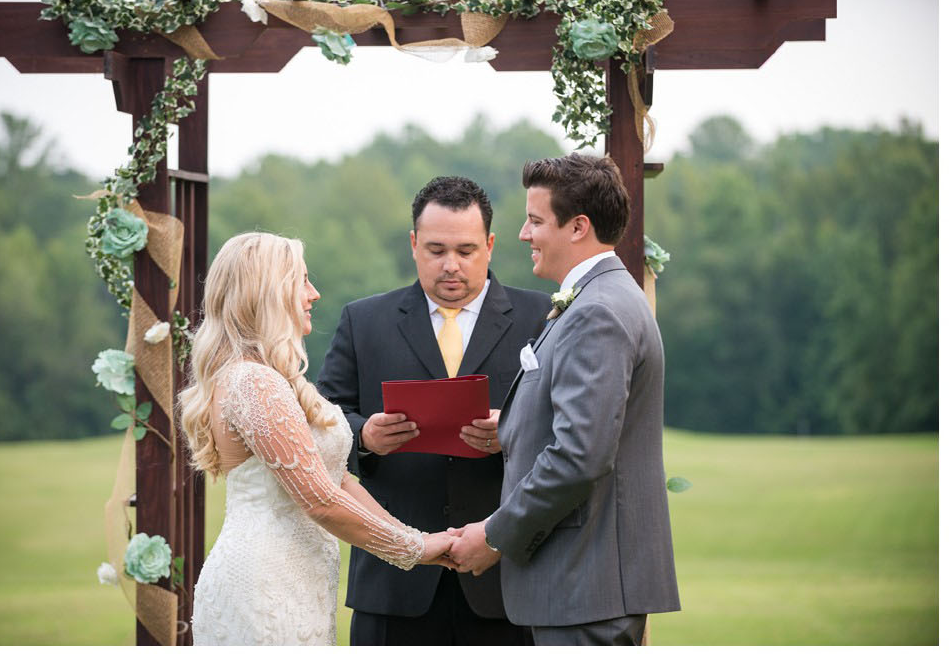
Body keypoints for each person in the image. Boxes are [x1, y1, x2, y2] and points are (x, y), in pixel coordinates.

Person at [444, 153, 680, 645]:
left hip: (584, 586)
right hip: (580, 586)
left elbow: (578, 456)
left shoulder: (597, 311)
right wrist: (512, 424)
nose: (523, 234)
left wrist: (493, 536)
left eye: (534, 220)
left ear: (578, 228)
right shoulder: (597, 297)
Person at [177, 232, 455, 646]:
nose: (314, 293)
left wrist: (415, 535)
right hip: (265, 585)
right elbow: (321, 501)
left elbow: (337, 479)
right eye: (302, 281)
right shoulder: (254, 383)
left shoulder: (273, 377)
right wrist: (414, 548)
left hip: (297, 580)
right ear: (269, 293)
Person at [314, 177, 542, 645]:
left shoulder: (541, 317)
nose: (451, 265)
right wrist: (364, 437)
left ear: (491, 245)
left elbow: (571, 428)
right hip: (394, 583)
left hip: (506, 578)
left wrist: (515, 430)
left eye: (466, 250)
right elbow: (322, 421)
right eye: (436, 249)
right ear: (414, 244)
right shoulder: (364, 320)